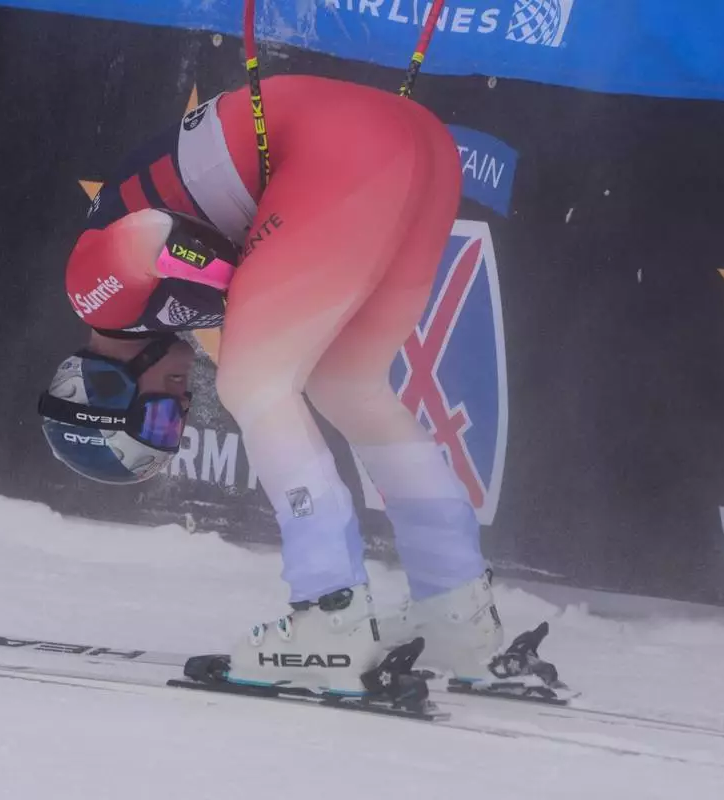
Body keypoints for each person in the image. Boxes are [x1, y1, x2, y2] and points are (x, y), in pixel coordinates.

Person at [39, 74, 519, 696]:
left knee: (254, 380)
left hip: (343, 144)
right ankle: (456, 612)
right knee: (347, 384)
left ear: (104, 392)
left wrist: (251, 275)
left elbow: (155, 237)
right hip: (414, 148)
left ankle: (331, 616)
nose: (180, 410)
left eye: (156, 420)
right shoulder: (146, 318)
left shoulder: (92, 297)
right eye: (172, 432)